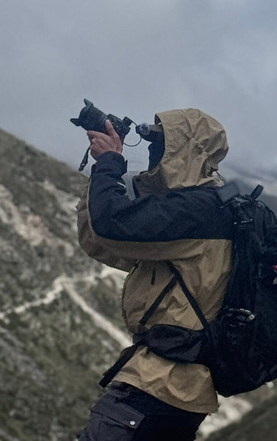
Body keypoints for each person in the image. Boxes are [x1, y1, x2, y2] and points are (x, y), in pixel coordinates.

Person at [75, 108, 234, 441]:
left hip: (158, 386)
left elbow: (112, 226)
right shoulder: (203, 212)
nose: (151, 152)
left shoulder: (195, 212)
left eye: (159, 143)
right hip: (176, 391)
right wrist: (101, 176)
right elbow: (102, 243)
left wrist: (109, 163)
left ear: (184, 150)